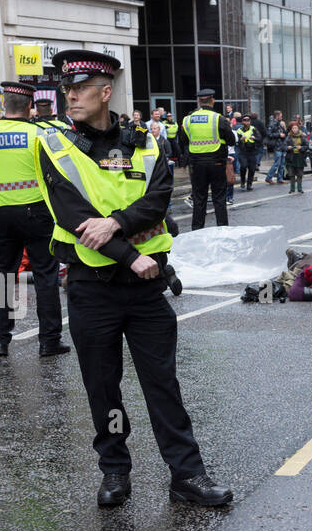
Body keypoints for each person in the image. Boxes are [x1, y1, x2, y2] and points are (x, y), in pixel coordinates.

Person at [36, 49, 232, 507]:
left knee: (162, 384)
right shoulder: (55, 145)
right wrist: (129, 254)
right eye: (66, 89)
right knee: (102, 386)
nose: (71, 97)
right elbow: (74, 214)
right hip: (92, 287)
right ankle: (115, 472)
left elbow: (158, 200)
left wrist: (117, 222)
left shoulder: (144, 142)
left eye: (80, 89)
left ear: (105, 93)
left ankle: (187, 476)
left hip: (146, 290)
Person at [0, 81, 68, 358]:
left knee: (2, 275)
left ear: (4, 104)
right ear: (30, 106)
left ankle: (0, 340)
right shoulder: (39, 133)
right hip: (36, 212)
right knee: (45, 275)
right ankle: (49, 341)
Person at [179, 87, 235, 228]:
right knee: (219, 198)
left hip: (196, 164)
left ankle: (197, 231)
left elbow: (184, 142)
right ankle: (222, 229)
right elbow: (231, 141)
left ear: (199, 101)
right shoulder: (218, 119)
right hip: (216, 162)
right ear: (213, 101)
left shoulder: (187, 120)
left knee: (199, 198)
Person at [235, 114, 259, 190]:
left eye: (248, 120)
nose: (247, 121)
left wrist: (254, 138)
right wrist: (241, 139)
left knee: (252, 169)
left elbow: (260, 138)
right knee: (243, 166)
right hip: (243, 152)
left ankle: (249, 184)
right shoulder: (239, 130)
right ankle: (242, 181)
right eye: (245, 120)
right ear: (242, 121)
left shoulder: (253, 129)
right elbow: (236, 142)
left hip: (252, 152)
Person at [284, 120, 308, 194]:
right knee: (291, 174)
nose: (294, 130)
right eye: (293, 128)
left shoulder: (302, 136)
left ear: (298, 128)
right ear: (291, 129)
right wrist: (288, 148)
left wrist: (301, 148)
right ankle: (292, 189)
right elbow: (283, 146)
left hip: (300, 157)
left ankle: (300, 189)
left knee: (300, 174)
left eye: (296, 128)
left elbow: (307, 146)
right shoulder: (288, 137)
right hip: (291, 157)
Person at [264, 110, 286, 185]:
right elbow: (269, 134)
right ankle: (269, 178)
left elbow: (282, 133)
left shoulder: (279, 124)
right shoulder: (272, 124)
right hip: (277, 146)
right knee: (277, 163)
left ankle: (280, 178)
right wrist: (279, 135)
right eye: (281, 115)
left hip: (282, 146)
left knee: (282, 164)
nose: (282, 117)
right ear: (277, 116)